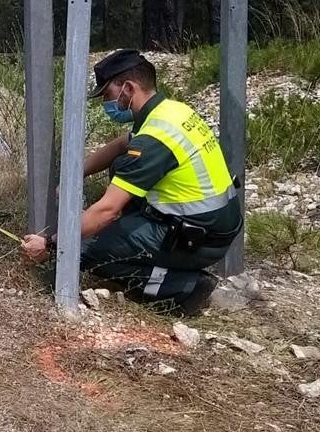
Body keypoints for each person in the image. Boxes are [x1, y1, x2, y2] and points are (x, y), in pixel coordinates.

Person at [20, 49, 242, 315]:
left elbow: (107, 210)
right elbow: (121, 144)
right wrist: (73, 174)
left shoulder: (154, 140)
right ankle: (154, 255)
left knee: (85, 250)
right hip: (214, 225)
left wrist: (52, 244)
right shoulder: (170, 111)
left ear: (127, 88)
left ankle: (183, 286)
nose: (105, 102)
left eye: (107, 94)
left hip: (198, 239)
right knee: (119, 167)